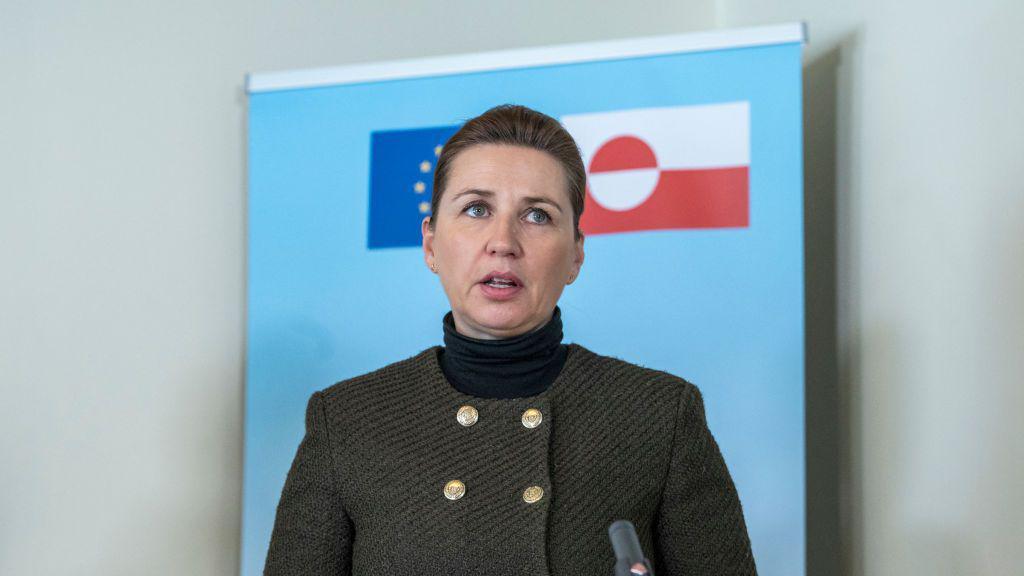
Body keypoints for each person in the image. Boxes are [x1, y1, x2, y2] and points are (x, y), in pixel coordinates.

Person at [263, 104, 757, 575]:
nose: (503, 241)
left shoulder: (658, 414)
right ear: (432, 244)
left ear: (576, 256)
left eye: (537, 215)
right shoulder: (347, 420)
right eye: (476, 209)